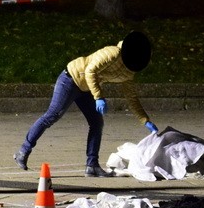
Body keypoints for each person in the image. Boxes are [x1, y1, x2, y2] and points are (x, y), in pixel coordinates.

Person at [13, 30, 159, 177]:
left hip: (87, 89)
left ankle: (92, 166)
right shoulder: (113, 53)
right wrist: (98, 97)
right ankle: (23, 151)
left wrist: (144, 120)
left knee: (97, 123)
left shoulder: (129, 73)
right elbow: (90, 71)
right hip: (70, 79)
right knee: (52, 115)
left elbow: (131, 97)